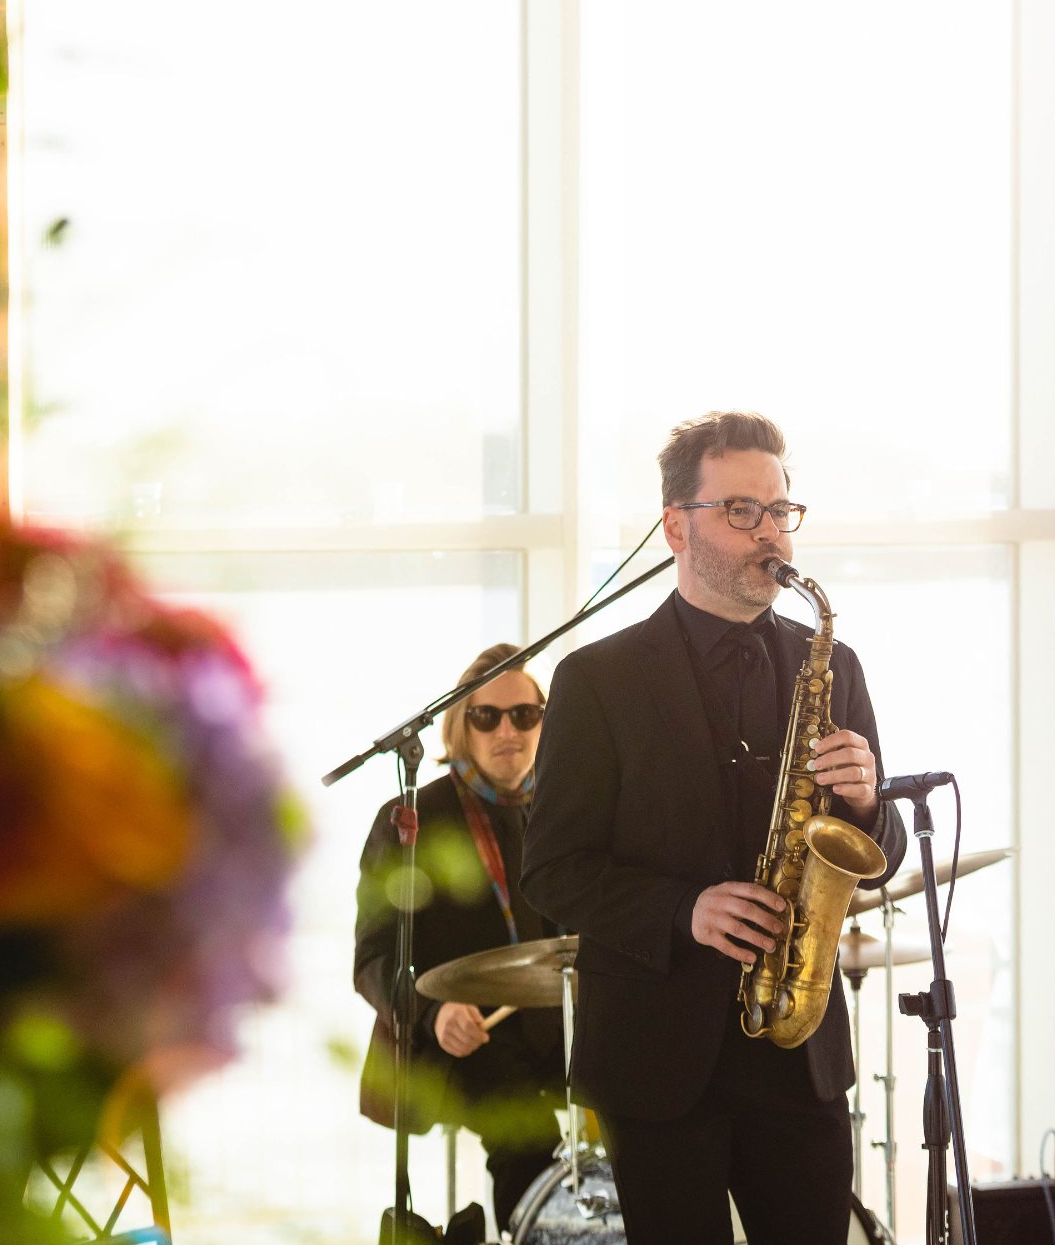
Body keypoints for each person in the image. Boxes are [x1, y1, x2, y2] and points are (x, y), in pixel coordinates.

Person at [520, 411, 907, 1245]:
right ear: (675, 526)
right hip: (659, 1063)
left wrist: (870, 803)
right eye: (742, 510)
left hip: (799, 1057)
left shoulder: (835, 665)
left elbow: (880, 855)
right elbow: (551, 869)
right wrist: (682, 910)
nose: (772, 535)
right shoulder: (595, 681)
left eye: (780, 511)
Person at [354, 644, 564, 1232]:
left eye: (525, 715)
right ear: (459, 724)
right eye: (487, 715)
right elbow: (370, 959)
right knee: (529, 1138)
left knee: (654, 1102)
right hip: (456, 1040)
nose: (508, 730)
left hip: (554, 1029)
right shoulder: (410, 818)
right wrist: (432, 1011)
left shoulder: (559, 814)